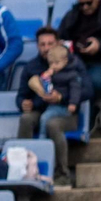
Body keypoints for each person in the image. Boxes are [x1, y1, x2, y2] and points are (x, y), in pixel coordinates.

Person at [17, 40, 85, 178]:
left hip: (66, 112)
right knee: (26, 118)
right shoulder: (32, 67)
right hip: (43, 107)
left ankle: (62, 171)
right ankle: (22, 166)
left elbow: (84, 90)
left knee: (51, 123)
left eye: (50, 44)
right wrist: (24, 103)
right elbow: (21, 95)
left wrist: (62, 98)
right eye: (42, 44)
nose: (46, 48)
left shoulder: (75, 68)